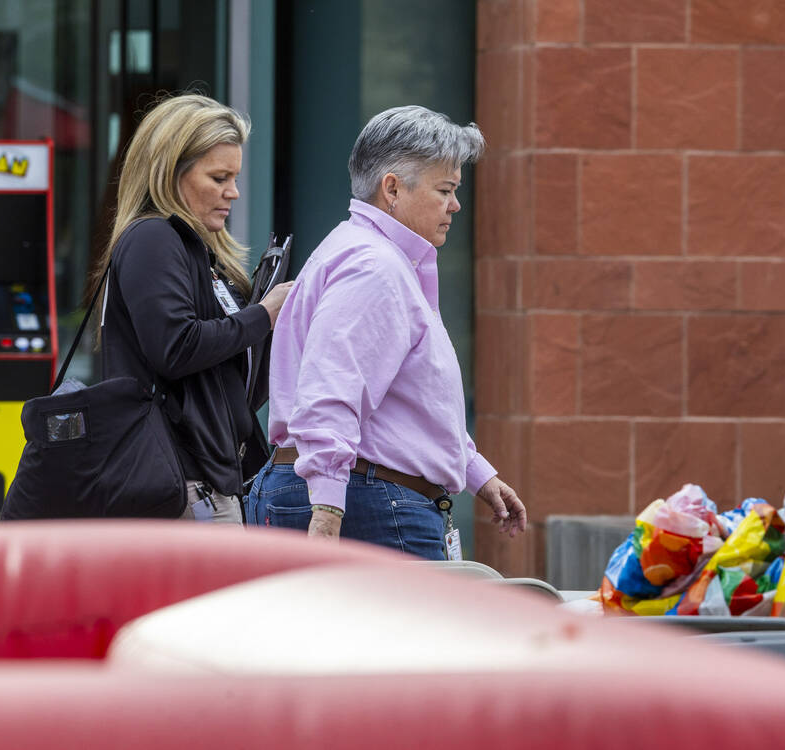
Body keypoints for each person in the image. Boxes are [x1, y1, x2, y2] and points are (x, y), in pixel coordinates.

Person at [245, 105, 526, 559]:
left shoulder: (367, 255)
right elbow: (332, 390)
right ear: (392, 188)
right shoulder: (374, 266)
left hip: (360, 494)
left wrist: (475, 471)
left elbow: (407, 401)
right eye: (445, 189)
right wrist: (327, 512)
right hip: (368, 502)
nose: (456, 205)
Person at [88, 93, 292, 523]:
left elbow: (229, 388)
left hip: (206, 479)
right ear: (171, 173)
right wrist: (264, 314)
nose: (233, 192)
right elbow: (176, 347)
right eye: (218, 177)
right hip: (178, 483)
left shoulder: (198, 252)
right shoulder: (153, 238)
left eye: (234, 177)